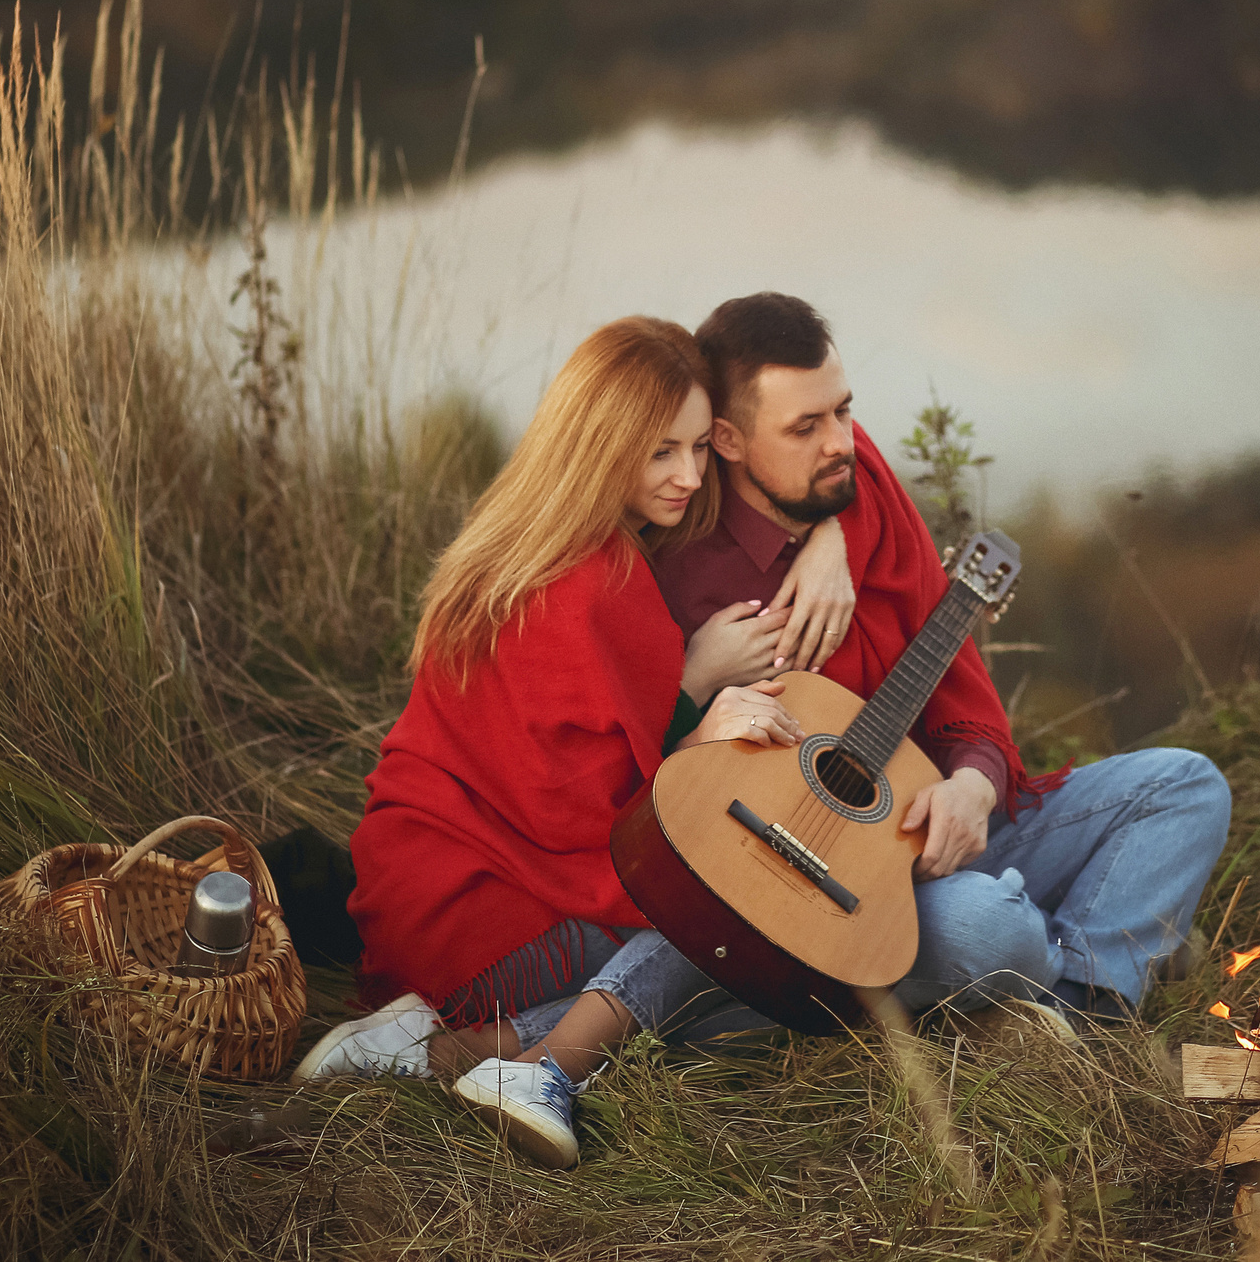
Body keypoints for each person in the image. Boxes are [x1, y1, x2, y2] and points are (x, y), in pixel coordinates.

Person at [298, 316, 850, 1167]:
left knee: (740, 970)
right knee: (732, 915)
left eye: (702, 447)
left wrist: (831, 532)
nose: (690, 474)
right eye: (661, 451)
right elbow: (604, 825)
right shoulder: (606, 579)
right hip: (488, 932)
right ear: (604, 441)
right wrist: (701, 718)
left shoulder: (510, 543)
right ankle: (548, 1064)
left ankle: (436, 1051)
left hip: (409, 901)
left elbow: (562, 755)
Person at [654, 293, 1232, 1026]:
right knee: (988, 926)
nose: (841, 441)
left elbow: (967, 708)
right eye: (806, 426)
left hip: (932, 830)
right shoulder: (684, 571)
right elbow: (656, 772)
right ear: (729, 441)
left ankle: (1078, 1009)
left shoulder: (864, 496)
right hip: (830, 892)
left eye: (842, 411)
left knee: (1186, 785)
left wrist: (973, 790)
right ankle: (1112, 943)